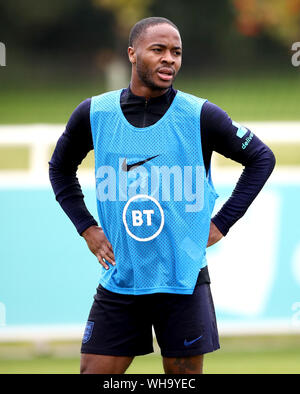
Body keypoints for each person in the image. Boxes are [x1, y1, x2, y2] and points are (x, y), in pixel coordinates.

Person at [49, 17, 275, 374]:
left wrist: (221, 223)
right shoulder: (94, 113)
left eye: (177, 52)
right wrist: (87, 228)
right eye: (159, 50)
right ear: (132, 54)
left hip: (182, 279)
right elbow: (59, 169)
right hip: (122, 277)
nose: (170, 59)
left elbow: (262, 158)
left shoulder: (200, 115)